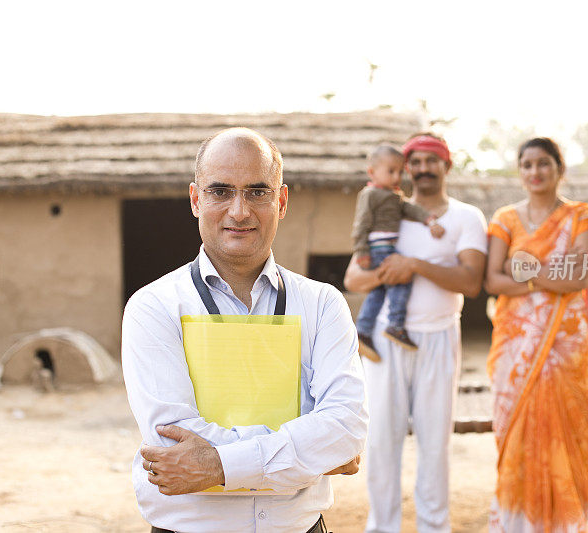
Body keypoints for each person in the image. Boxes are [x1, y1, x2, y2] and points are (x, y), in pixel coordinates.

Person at [122, 128, 368, 533]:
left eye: (257, 192)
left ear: (282, 201)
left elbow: (344, 430)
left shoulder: (322, 304)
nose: (239, 211)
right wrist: (309, 450)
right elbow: (172, 446)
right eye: (220, 191)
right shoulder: (154, 307)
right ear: (196, 200)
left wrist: (217, 464)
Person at [344, 133, 487, 533]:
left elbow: (472, 281)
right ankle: (382, 526)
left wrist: (415, 265)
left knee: (434, 441)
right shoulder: (389, 211)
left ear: (447, 165)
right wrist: (389, 270)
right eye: (416, 162)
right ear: (406, 169)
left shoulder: (466, 217)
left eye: (431, 161)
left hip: (440, 337)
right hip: (386, 344)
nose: (423, 168)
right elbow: (354, 277)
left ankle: (434, 526)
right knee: (381, 441)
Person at [483, 137, 588, 532]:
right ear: (519, 171)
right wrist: (541, 280)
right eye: (526, 165)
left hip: (567, 349)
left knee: (570, 436)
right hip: (515, 347)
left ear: (560, 169)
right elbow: (492, 279)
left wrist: (525, 271)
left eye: (544, 163)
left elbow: (578, 277)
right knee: (518, 440)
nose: (535, 172)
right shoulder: (505, 218)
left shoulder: (581, 216)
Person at [352, 144, 445, 360]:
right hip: (379, 247)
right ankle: (395, 324)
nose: (396, 177)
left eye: (400, 172)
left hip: (387, 246)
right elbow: (361, 223)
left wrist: (429, 220)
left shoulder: (395, 196)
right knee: (401, 280)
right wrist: (361, 251)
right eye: (390, 171)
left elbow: (410, 209)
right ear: (372, 172)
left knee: (378, 291)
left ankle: (363, 331)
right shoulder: (371, 194)